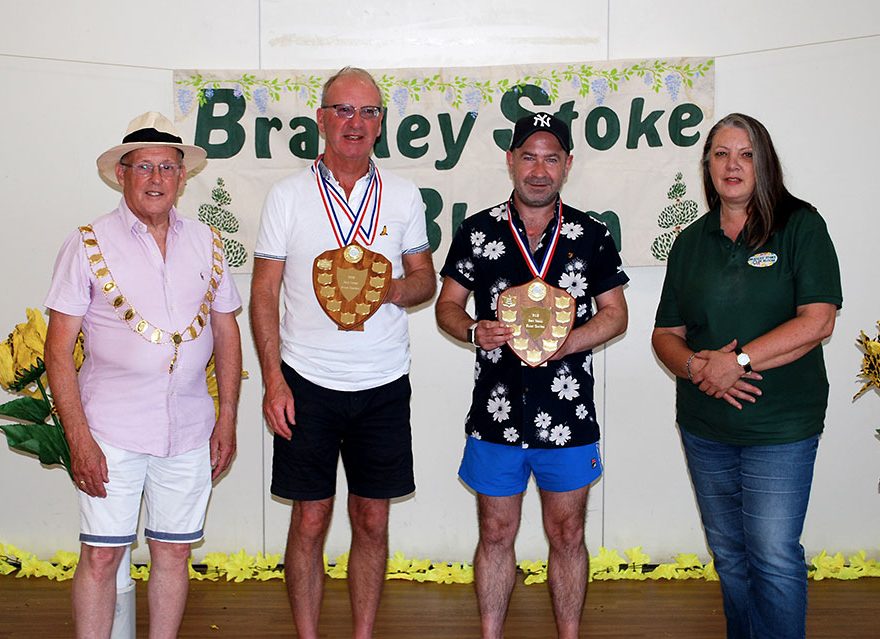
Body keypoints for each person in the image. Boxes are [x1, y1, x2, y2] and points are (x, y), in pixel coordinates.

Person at [250, 66, 436, 639]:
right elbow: (262, 294)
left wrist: (392, 290)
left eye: (368, 111)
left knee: (372, 519)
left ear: (381, 123)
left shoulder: (404, 196)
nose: (356, 123)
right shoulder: (287, 196)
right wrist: (274, 382)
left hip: (382, 382)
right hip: (305, 381)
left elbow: (424, 282)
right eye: (344, 110)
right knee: (309, 518)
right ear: (322, 119)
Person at [43, 111, 243, 638]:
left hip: (191, 431)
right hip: (110, 432)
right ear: (121, 175)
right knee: (102, 558)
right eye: (144, 167)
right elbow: (57, 352)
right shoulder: (86, 243)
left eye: (167, 167)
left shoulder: (209, 242)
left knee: (174, 552)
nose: (156, 178)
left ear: (182, 177)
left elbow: (226, 336)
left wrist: (227, 421)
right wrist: (79, 438)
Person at [435, 112, 629, 639]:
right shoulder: (477, 231)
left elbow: (617, 314)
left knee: (567, 534)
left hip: (568, 418)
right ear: (510, 161)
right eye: (528, 156)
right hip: (496, 416)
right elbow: (446, 306)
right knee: (496, 533)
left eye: (550, 158)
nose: (538, 170)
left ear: (568, 164)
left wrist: (570, 341)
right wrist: (474, 331)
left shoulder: (591, 233)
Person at [651, 113, 842, 639]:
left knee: (774, 556)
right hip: (705, 427)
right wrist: (696, 366)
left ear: (765, 162)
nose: (732, 165)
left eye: (746, 154)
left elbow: (818, 320)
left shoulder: (802, 225)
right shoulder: (691, 241)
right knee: (731, 558)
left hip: (780, 428)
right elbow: (665, 332)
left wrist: (734, 363)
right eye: (720, 154)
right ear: (707, 165)